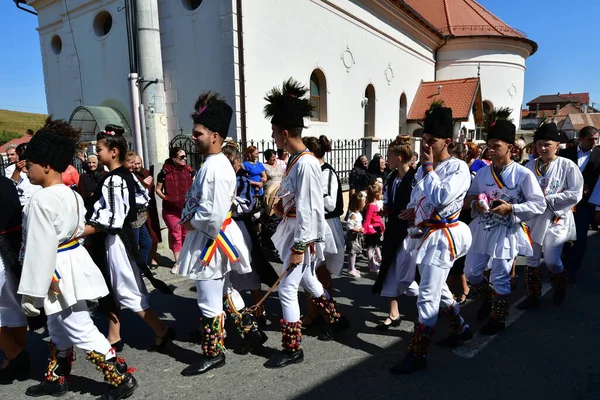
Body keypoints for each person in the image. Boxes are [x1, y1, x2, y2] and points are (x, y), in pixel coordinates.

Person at [17, 119, 137, 399]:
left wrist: (31, 293)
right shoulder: (70, 195)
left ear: (46, 165)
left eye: (30, 163)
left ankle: (119, 379)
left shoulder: (41, 200)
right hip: (72, 262)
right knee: (58, 326)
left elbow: (38, 248)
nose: (26, 167)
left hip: (57, 270)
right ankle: (57, 377)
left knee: (78, 325)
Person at [263, 78, 348, 368]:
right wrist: (280, 205)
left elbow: (311, 209)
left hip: (302, 236)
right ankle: (336, 319)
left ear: (285, 133)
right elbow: (297, 201)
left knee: (287, 289)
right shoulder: (295, 161)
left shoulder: (307, 164)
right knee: (310, 280)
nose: (273, 138)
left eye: (275, 133)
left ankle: (292, 348)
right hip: (296, 232)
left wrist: (300, 245)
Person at [176, 92, 256, 376]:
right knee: (223, 290)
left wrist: (189, 223)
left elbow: (212, 213)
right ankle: (250, 330)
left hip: (210, 240)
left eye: (198, 133)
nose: (193, 138)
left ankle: (214, 352)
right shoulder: (212, 164)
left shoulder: (216, 167)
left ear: (215, 135)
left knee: (208, 297)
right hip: (209, 236)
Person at [389, 106, 472, 375]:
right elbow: (422, 200)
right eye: (423, 139)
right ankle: (460, 328)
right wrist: (413, 210)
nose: (426, 145)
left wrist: (427, 168)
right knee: (427, 287)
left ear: (447, 142)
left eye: (431, 141)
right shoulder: (426, 169)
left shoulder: (457, 167)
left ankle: (418, 353)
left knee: (427, 295)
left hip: (443, 236)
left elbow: (442, 198)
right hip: (424, 235)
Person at [81, 124, 174, 354]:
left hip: (116, 241)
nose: (97, 152)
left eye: (100, 148)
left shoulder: (114, 179)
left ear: (113, 151)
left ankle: (161, 329)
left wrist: (75, 233)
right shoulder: (126, 176)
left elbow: (108, 221)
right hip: (120, 239)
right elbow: (143, 199)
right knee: (114, 287)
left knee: (126, 289)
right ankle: (114, 335)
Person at [464, 120, 546, 336]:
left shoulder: (523, 174)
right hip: (483, 227)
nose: (490, 150)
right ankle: (490, 299)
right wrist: (475, 203)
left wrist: (512, 208)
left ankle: (498, 318)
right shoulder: (482, 173)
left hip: (507, 229)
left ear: (510, 147)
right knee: (471, 272)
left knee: (500, 275)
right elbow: (470, 196)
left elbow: (539, 203)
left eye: (495, 145)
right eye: (489, 145)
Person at [518, 123, 583, 309]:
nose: (543, 148)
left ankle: (559, 284)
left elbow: (576, 193)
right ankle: (532, 296)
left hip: (556, 219)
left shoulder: (567, 165)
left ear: (557, 145)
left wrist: (548, 199)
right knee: (531, 259)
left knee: (553, 260)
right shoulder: (529, 166)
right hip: (534, 219)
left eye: (547, 144)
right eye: (539, 144)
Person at [373, 135, 419, 331]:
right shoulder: (392, 177)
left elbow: (425, 202)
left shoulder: (416, 178)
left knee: (407, 275)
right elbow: (389, 200)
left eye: (389, 155)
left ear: (398, 158)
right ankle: (394, 313)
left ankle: (436, 303)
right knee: (389, 269)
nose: (387, 159)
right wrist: (386, 209)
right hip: (393, 228)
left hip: (409, 231)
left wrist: (414, 211)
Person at [301, 135, 345, 329]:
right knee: (313, 272)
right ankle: (320, 313)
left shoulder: (325, 172)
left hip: (325, 226)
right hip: (316, 224)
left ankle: (326, 316)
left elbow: (330, 203)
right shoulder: (313, 170)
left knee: (319, 272)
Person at [559, 126, 600, 280]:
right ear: (580, 139)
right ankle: (561, 263)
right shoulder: (565, 154)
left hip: (585, 204)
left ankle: (572, 269)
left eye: (596, 139)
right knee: (562, 235)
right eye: (591, 139)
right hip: (565, 203)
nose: (594, 143)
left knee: (580, 237)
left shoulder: (599, 155)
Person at [0, 177, 29, 384]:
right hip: (9, 251)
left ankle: (15, 355)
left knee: (11, 308)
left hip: (4, 252)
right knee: (12, 308)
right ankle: (15, 360)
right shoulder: (5, 183)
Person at [156, 147, 194, 273]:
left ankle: (186, 261)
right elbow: (158, 190)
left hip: (186, 209)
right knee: (176, 235)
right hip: (171, 210)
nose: (185, 159)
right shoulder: (164, 172)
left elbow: (195, 186)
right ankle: (178, 263)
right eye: (181, 157)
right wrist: (167, 198)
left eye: (185, 156)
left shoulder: (189, 171)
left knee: (186, 235)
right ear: (173, 158)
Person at [132, 154, 162, 267]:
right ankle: (141, 262)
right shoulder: (130, 176)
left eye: (138, 163)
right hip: (138, 210)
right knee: (140, 238)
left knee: (153, 234)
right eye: (134, 163)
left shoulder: (147, 173)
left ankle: (152, 257)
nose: (136, 166)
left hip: (149, 208)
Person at [363, 183, 385, 273]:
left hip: (377, 228)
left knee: (375, 246)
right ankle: (372, 265)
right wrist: (367, 230)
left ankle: (372, 264)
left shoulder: (375, 204)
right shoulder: (371, 206)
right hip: (372, 230)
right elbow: (367, 220)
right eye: (380, 192)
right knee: (370, 248)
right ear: (377, 194)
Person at [345, 192, 366, 278]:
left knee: (355, 252)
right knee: (352, 252)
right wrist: (359, 229)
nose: (365, 203)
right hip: (352, 237)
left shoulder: (358, 214)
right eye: (363, 202)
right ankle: (351, 269)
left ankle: (352, 267)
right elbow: (349, 226)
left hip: (356, 236)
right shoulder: (353, 215)